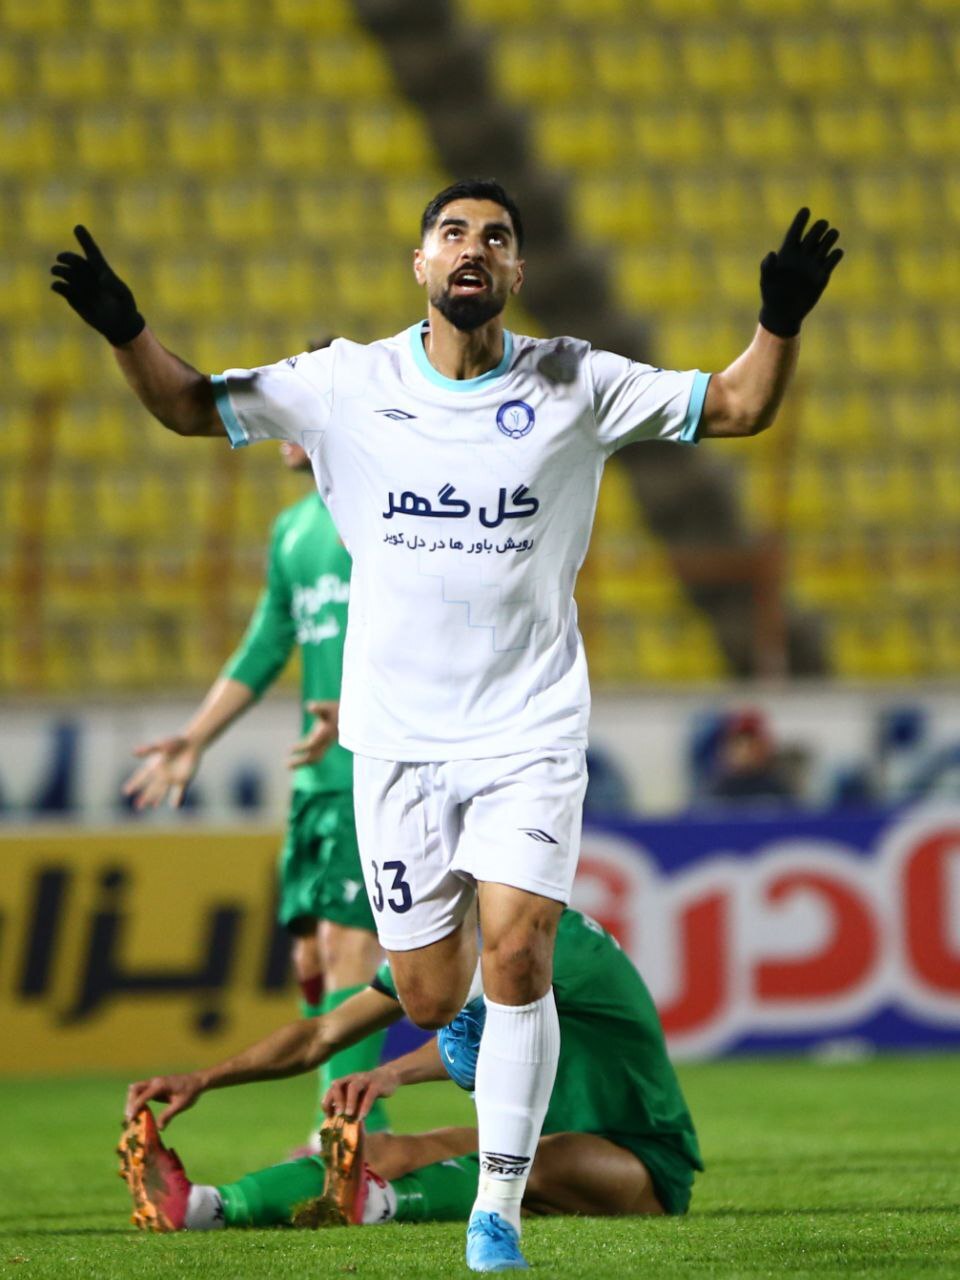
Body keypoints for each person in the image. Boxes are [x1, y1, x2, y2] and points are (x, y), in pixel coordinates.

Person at [52, 179, 841, 1271]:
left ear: (516, 271)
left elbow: (742, 406)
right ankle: (470, 1067)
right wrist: (126, 330)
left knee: (518, 952)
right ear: (420, 263)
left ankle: (497, 1213)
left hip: (529, 728)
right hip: (398, 743)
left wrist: (779, 320)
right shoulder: (347, 382)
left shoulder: (574, 378)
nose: (475, 247)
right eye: (454, 232)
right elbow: (190, 405)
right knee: (429, 993)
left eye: (497, 237)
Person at [121, 364, 389, 1141]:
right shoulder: (294, 531)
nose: (273, 427)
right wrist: (196, 736)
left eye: (292, 409)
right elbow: (268, 642)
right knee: (313, 955)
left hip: (374, 766)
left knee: (351, 943)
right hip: (317, 777)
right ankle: (357, 1111)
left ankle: (346, 1132)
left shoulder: (387, 519)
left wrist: (366, 709)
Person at [118, 907, 701, 1234]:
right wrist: (205, 1078)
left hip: (640, 1164)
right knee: (381, 1151)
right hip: (528, 1138)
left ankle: (381, 1204)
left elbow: (501, 1040)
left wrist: (392, 1073)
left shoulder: (554, 942)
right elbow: (322, 1033)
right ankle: (204, 1207)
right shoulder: (448, 946)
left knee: (538, 1161)